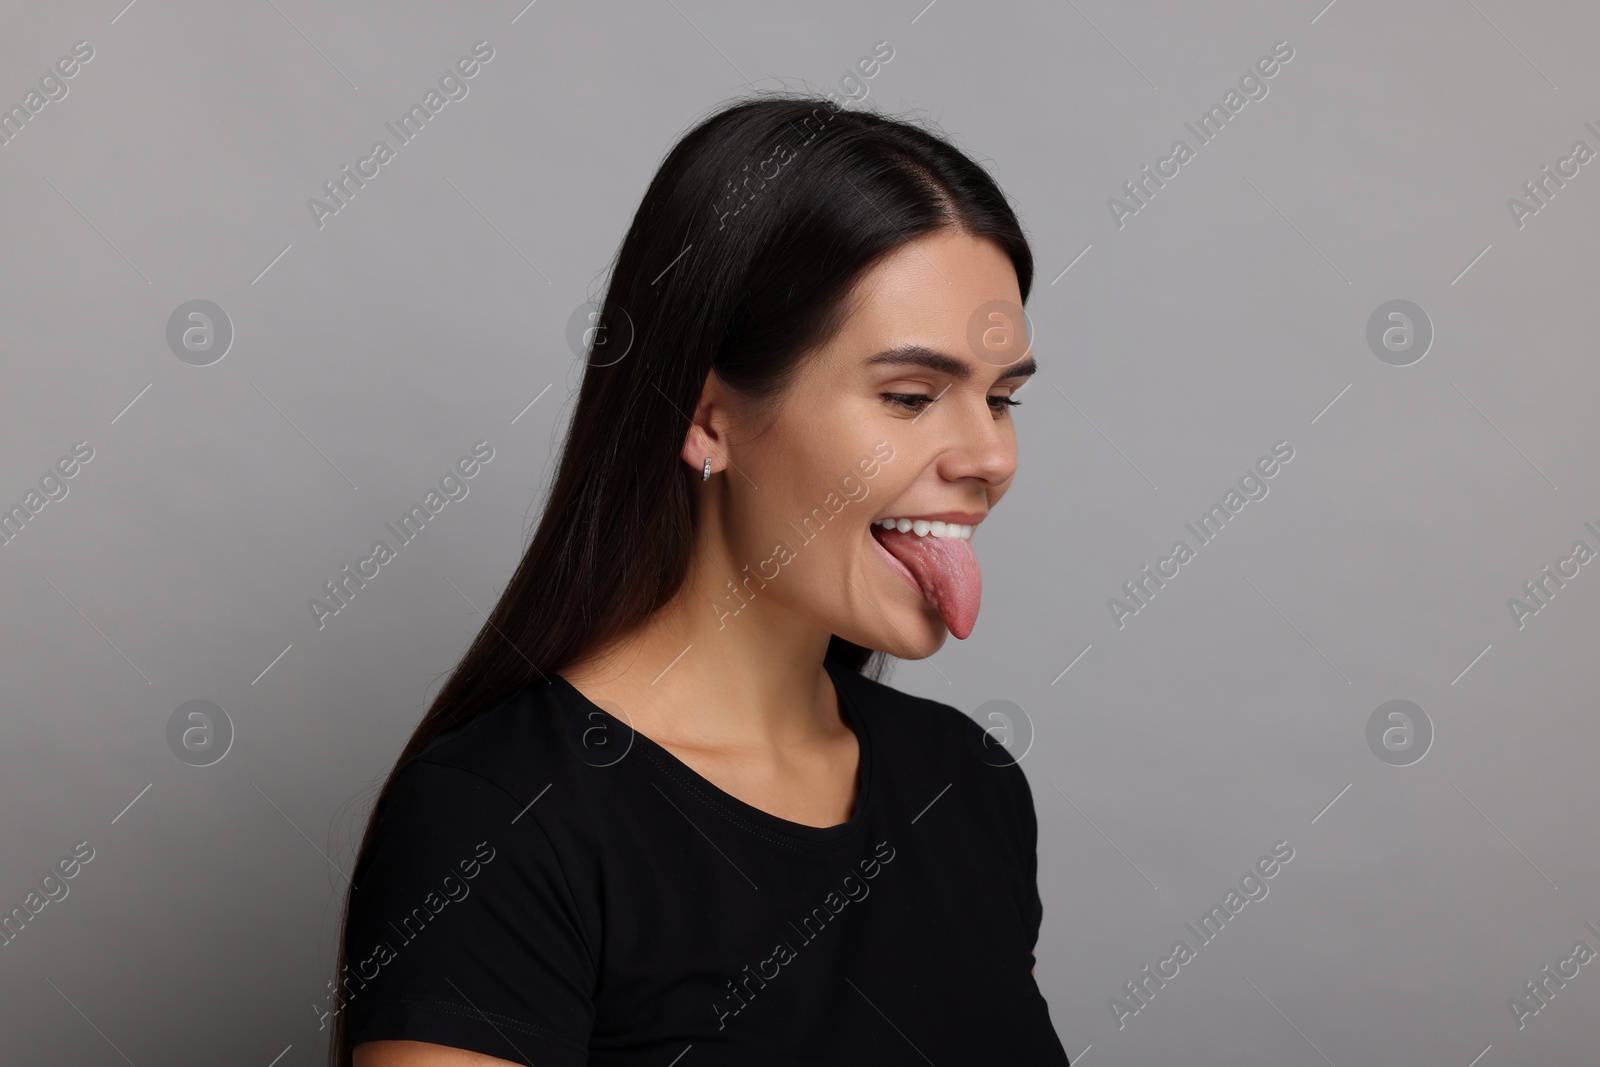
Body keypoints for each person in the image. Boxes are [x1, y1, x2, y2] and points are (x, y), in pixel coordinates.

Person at [331, 91, 1069, 1066]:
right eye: (910, 395)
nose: (989, 455)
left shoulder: (964, 785)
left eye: (1000, 398)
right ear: (708, 415)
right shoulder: (495, 819)